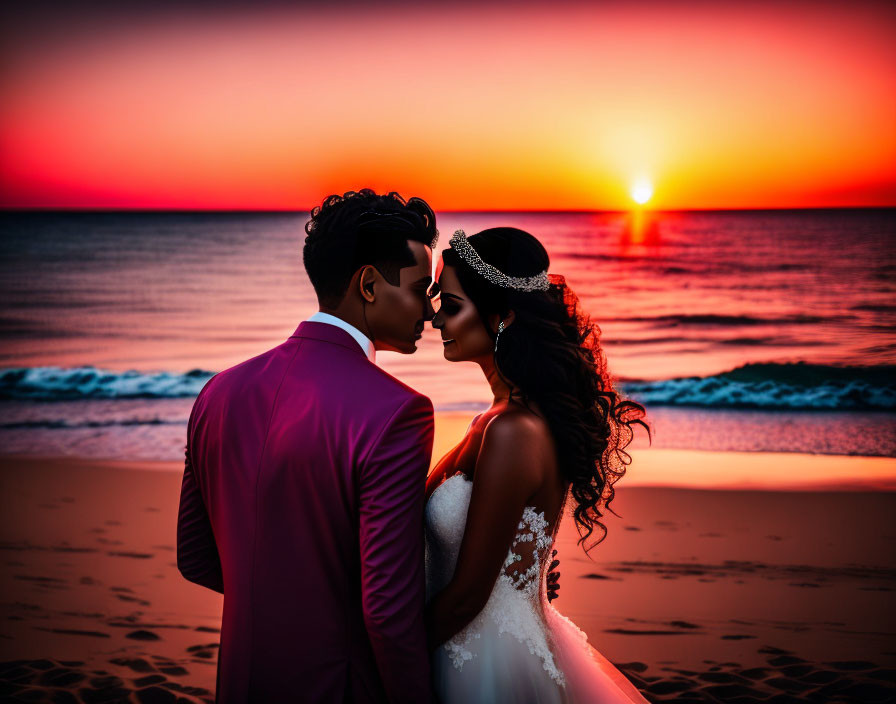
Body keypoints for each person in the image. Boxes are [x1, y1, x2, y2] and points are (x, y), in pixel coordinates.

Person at [177, 189, 440, 703]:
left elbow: (196, 558)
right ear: (368, 284)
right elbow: (386, 610)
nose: (430, 312)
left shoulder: (217, 392)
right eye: (419, 289)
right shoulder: (398, 414)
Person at [423, 226, 652, 703]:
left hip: (484, 661)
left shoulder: (514, 432)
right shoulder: (499, 420)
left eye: (450, 304)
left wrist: (383, 653)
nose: (435, 318)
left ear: (502, 316)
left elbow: (468, 596)